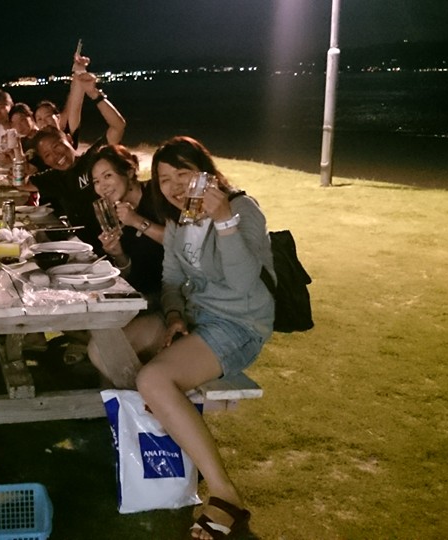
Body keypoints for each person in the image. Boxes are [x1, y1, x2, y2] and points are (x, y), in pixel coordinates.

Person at [136, 136, 274, 539]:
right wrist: (174, 315)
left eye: (183, 173)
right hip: (195, 318)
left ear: (207, 175)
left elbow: (244, 283)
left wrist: (225, 220)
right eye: (164, 179)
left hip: (238, 323)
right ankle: (153, 434)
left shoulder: (242, 209)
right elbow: (171, 279)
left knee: (153, 379)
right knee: (108, 344)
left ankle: (226, 496)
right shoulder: (179, 221)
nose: (175, 186)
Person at [23, 68, 126, 253]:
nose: (56, 156)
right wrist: (18, 165)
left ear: (70, 140)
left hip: (116, 243)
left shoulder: (93, 159)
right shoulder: (55, 177)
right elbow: (23, 185)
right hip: (84, 249)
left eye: (57, 146)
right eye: (47, 155)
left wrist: (95, 94)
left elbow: (118, 126)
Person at [85, 145, 167, 371]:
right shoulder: (116, 213)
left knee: (104, 349)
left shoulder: (158, 196)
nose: (102, 186)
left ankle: (147, 391)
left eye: (108, 176)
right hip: (142, 298)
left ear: (129, 172)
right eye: (96, 181)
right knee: (96, 330)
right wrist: (118, 254)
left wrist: (136, 221)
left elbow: (184, 241)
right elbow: (131, 273)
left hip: (171, 302)